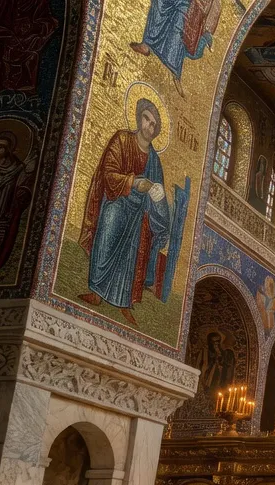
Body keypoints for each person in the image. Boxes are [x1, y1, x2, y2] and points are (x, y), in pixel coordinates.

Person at [78, 98, 171, 326]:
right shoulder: (122, 139)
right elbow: (108, 173)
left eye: (154, 125)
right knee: (107, 235)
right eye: (147, 119)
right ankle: (96, 292)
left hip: (139, 212)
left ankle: (123, 303)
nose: (149, 126)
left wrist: (158, 199)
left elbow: (158, 193)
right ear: (139, 118)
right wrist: (133, 182)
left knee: (131, 256)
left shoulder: (155, 161)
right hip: (116, 202)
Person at [0, 130, 36, 270]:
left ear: (8, 150)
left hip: (3, 208)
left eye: (1, 147)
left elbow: (22, 182)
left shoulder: (15, 167)